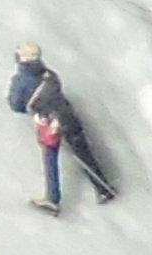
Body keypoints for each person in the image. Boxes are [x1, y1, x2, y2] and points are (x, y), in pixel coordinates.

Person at [12, 44, 121, 208]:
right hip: (68, 117)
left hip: (49, 123)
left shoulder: (21, 80)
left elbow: (16, 104)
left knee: (50, 159)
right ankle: (102, 187)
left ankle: (52, 198)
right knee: (83, 153)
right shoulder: (49, 75)